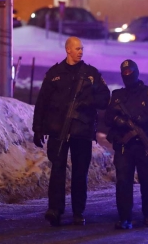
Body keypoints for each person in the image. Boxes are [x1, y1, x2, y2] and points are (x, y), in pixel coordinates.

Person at [32, 36, 110, 227]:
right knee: (57, 171)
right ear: (68, 50)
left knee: (79, 173)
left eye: (82, 48)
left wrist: (88, 102)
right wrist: (38, 128)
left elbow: (105, 98)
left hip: (82, 131)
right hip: (58, 130)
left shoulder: (91, 74)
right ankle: (55, 210)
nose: (80, 52)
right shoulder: (55, 73)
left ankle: (78, 211)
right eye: (77, 49)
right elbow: (42, 102)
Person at [105, 59, 148, 229]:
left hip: (144, 145)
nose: (127, 76)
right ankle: (125, 218)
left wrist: (147, 119)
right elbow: (107, 118)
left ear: (136, 72)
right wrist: (118, 120)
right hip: (125, 146)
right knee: (123, 183)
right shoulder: (118, 96)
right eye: (124, 73)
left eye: (130, 72)